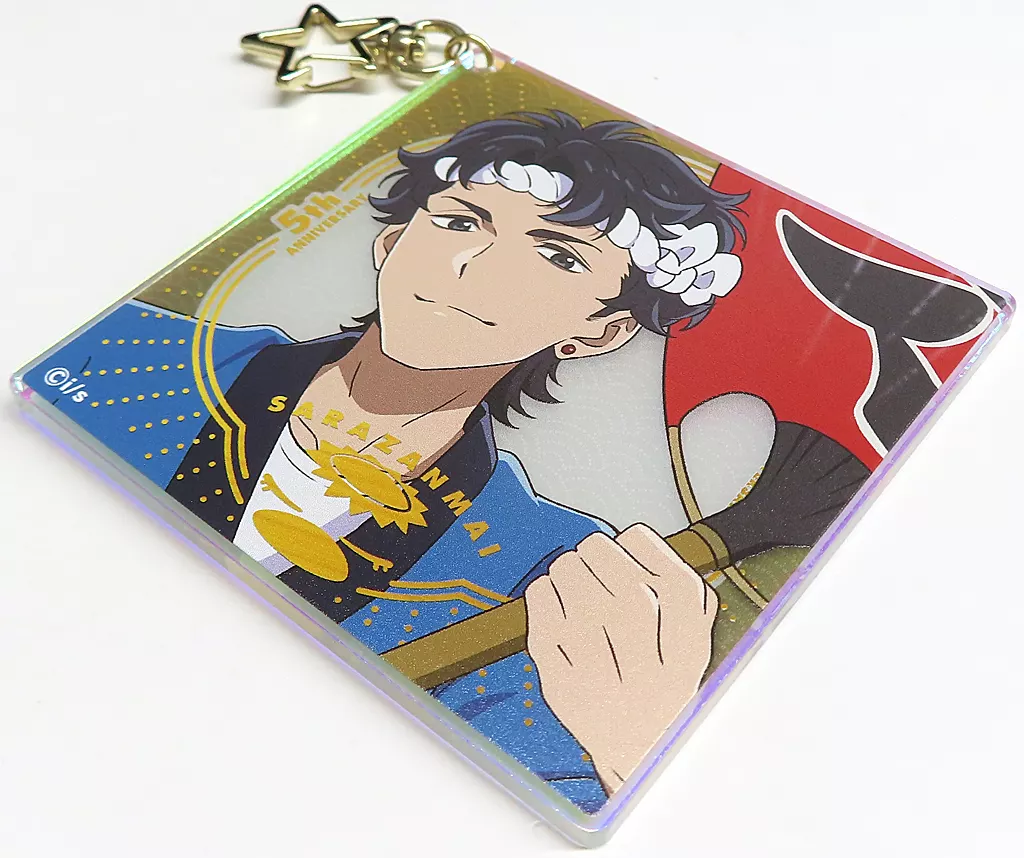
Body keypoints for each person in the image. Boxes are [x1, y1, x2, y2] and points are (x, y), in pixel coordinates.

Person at [27, 111, 747, 811]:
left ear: (600, 332)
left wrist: (628, 747)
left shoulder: (550, 567)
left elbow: (543, 793)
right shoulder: (145, 355)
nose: (477, 269)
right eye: (460, 222)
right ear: (392, 242)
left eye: (558, 256)